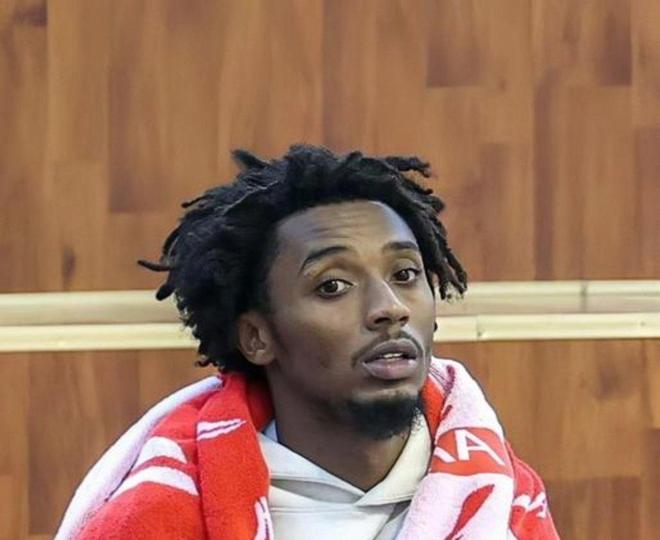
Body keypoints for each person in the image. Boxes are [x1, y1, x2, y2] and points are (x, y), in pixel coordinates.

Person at [56, 145, 560, 539]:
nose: (390, 307)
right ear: (257, 337)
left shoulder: (503, 501)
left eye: (405, 274)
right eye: (333, 286)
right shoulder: (160, 514)